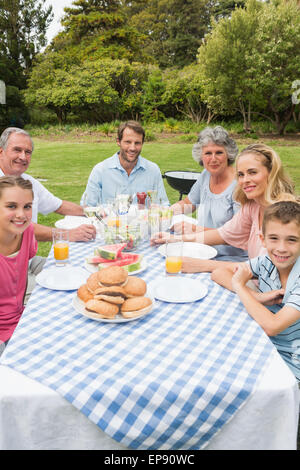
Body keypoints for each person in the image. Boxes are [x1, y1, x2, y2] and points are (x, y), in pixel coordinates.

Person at [151, 143, 296, 277]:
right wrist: (174, 239)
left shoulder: (286, 214)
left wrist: (203, 265)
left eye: (252, 172)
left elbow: (265, 271)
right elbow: (222, 234)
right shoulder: (253, 206)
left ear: (271, 173)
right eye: (241, 174)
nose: (245, 180)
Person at [211, 201, 300, 382]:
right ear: (263, 240)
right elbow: (219, 273)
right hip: (261, 342)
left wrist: (239, 286)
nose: (281, 248)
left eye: (292, 240)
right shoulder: (266, 260)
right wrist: (257, 296)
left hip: (289, 360)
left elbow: (272, 326)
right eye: (274, 238)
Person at [0, 127, 96, 243]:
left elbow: (58, 205)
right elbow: (19, 227)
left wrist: (93, 212)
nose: (23, 157)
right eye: (17, 150)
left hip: (26, 258)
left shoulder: (27, 181)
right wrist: (66, 234)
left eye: (28, 152)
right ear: (1, 152)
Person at [171, 126, 247, 261]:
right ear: (201, 156)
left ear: (228, 154)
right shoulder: (206, 174)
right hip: (203, 250)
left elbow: (237, 235)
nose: (213, 159)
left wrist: (194, 229)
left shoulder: (239, 185)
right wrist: (166, 212)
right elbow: (190, 203)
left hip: (230, 258)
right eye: (208, 153)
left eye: (219, 152)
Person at [83, 120, 169, 206]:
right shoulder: (100, 171)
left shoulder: (153, 170)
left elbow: (163, 205)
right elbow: (88, 207)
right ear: (118, 141)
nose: (133, 148)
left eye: (137, 143)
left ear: (142, 143)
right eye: (128, 142)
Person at [0, 176, 37, 356]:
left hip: (22, 320)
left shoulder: (27, 232)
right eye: (11, 206)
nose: (21, 215)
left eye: (27, 206)